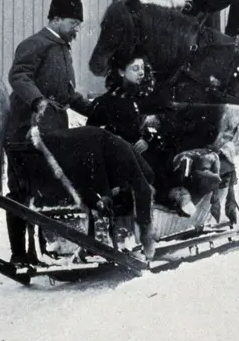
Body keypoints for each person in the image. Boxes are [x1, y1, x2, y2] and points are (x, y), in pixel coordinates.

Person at [4, 0, 95, 266]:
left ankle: (48, 247)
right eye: (72, 22)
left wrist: (93, 108)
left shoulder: (62, 49)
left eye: (79, 24)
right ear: (55, 19)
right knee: (21, 190)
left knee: (46, 190)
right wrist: (37, 101)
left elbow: (67, 94)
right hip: (25, 131)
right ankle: (19, 254)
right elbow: (18, 76)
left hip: (53, 131)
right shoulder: (35, 44)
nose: (77, 29)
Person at [85, 47, 204, 216]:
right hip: (121, 158)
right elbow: (93, 133)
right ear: (120, 72)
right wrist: (119, 144)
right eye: (135, 69)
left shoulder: (148, 97)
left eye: (142, 68)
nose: (141, 73)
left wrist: (149, 138)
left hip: (149, 153)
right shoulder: (105, 102)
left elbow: (167, 122)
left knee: (161, 160)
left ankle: (177, 196)